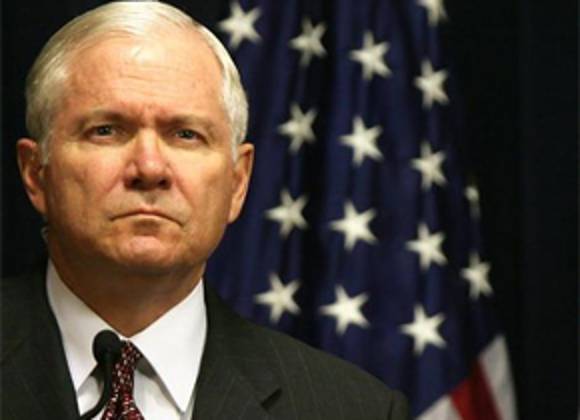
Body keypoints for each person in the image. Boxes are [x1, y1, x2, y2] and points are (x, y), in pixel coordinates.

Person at [1, 2, 409, 419]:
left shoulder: (356, 410)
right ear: (35, 173)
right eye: (106, 130)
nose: (150, 168)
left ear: (238, 182)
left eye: (186, 134)